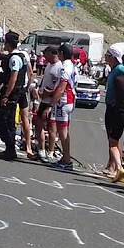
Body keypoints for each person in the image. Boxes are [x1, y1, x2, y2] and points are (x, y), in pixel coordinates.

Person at [0, 32, 32, 162]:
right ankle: (9, 149)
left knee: (3, 120)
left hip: (12, 94)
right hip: (16, 93)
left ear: (9, 44)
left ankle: (10, 149)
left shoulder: (15, 58)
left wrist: (6, 95)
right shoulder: (19, 56)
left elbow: (13, 78)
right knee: (8, 121)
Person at [50, 43, 78, 171]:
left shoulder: (65, 67)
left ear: (61, 53)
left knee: (63, 132)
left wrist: (51, 104)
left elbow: (61, 87)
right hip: (69, 100)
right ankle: (65, 158)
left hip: (64, 101)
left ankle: (67, 159)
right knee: (64, 131)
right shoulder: (71, 65)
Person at [31, 46, 62, 161]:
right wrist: (39, 88)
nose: (44, 56)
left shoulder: (59, 67)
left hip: (52, 101)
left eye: (46, 54)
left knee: (51, 127)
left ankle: (51, 151)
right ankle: (41, 150)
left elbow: (59, 87)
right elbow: (45, 79)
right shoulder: (49, 65)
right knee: (38, 124)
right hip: (43, 100)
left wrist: (49, 93)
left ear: (51, 53)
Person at [102, 48, 124, 177]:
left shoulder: (120, 70)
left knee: (114, 138)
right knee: (110, 137)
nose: (105, 57)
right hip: (110, 105)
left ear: (112, 56)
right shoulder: (114, 69)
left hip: (115, 107)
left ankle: (114, 167)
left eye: (107, 55)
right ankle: (111, 163)